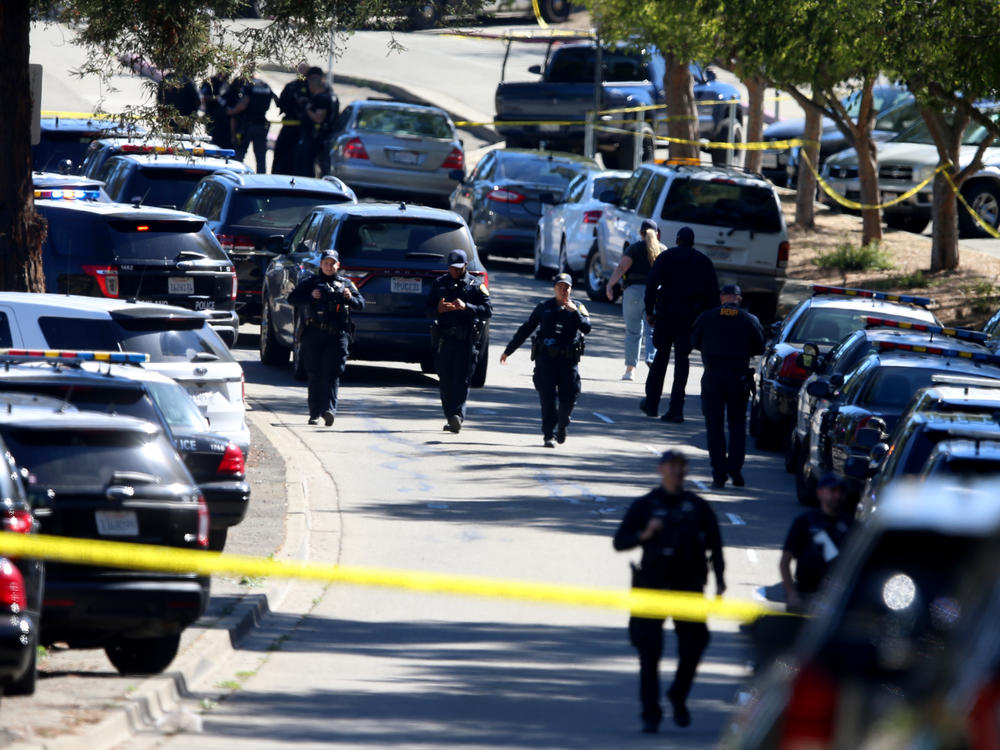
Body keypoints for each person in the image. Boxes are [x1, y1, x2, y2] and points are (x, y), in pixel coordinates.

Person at [613, 449, 726, 733]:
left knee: (694, 645)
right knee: (649, 652)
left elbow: (715, 544)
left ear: (685, 471)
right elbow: (620, 542)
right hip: (651, 583)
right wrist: (644, 535)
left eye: (681, 466)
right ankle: (650, 713)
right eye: (671, 466)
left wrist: (721, 580)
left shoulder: (698, 506)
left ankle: (678, 694)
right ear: (660, 470)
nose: (677, 471)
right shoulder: (646, 505)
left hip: (688, 584)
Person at [501, 273, 591, 448]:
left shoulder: (578, 307)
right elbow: (526, 329)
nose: (563, 291)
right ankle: (548, 435)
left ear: (571, 289)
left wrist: (575, 314)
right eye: (560, 287)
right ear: (554, 288)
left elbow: (587, 328)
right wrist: (508, 351)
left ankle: (562, 425)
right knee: (547, 399)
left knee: (569, 397)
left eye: (566, 288)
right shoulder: (544, 307)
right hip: (546, 361)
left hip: (568, 361)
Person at [690, 284, 766, 489]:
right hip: (737, 376)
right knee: (737, 425)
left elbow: (694, 341)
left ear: (722, 298)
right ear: (738, 299)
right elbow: (760, 347)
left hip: (713, 375)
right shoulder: (749, 320)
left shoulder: (707, 317)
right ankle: (735, 469)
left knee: (714, 426)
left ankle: (718, 473)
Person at [642, 226, 718, 423]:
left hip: (667, 315)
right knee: (682, 361)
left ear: (677, 240)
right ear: (693, 242)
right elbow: (713, 296)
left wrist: (649, 311)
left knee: (661, 356)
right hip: (690, 318)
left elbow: (651, 285)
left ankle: (652, 402)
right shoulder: (704, 262)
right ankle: (676, 408)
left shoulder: (667, 257)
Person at [287, 249, 364, 426]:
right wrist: (311, 297)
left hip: (338, 335)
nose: (329, 267)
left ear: (338, 265)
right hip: (314, 332)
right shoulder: (311, 282)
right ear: (321, 265)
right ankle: (314, 413)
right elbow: (292, 298)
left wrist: (350, 298)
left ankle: (328, 411)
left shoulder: (346, 284)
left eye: (332, 264)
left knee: (332, 373)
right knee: (314, 374)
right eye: (326, 264)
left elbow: (361, 304)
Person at [426, 250, 492, 434]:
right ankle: (451, 416)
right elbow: (427, 309)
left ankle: (458, 416)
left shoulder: (475, 285)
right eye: (451, 268)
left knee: (462, 379)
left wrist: (466, 307)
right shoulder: (440, 284)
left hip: (466, 340)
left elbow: (488, 309)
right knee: (445, 378)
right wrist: (438, 309)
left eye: (458, 268)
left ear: (465, 266)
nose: (454, 271)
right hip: (445, 339)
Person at [780, 472, 853, 612]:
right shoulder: (805, 523)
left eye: (840, 491)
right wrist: (791, 594)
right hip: (806, 594)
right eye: (832, 491)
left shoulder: (851, 525)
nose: (837, 496)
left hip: (837, 598)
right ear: (819, 493)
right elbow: (785, 562)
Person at [606, 219, 661, 381]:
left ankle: (630, 370)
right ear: (657, 234)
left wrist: (610, 285)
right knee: (652, 331)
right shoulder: (662, 250)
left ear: (641, 233)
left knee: (633, 332)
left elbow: (622, 267)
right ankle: (651, 360)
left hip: (633, 293)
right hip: (655, 295)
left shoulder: (634, 248)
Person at [296, 67, 338, 177]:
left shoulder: (321, 98)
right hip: (323, 138)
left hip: (317, 139)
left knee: (311, 168)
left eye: (309, 81)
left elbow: (318, 118)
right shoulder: (331, 96)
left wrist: (308, 109)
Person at [228, 76, 275, 173]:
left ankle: (236, 175)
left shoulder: (249, 86)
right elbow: (277, 100)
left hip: (247, 124)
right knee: (261, 157)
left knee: (239, 154)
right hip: (262, 124)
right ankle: (261, 181)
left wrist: (231, 111)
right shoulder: (266, 86)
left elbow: (243, 104)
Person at [273, 63, 309, 174]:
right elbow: (281, 104)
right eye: (300, 70)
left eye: (304, 70)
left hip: (302, 128)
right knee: (280, 152)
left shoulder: (310, 87)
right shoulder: (291, 86)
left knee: (297, 156)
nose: (301, 72)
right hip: (288, 124)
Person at [201, 73, 233, 150]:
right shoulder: (210, 81)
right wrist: (216, 98)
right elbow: (202, 96)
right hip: (210, 115)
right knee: (211, 138)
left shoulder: (226, 83)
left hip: (222, 118)